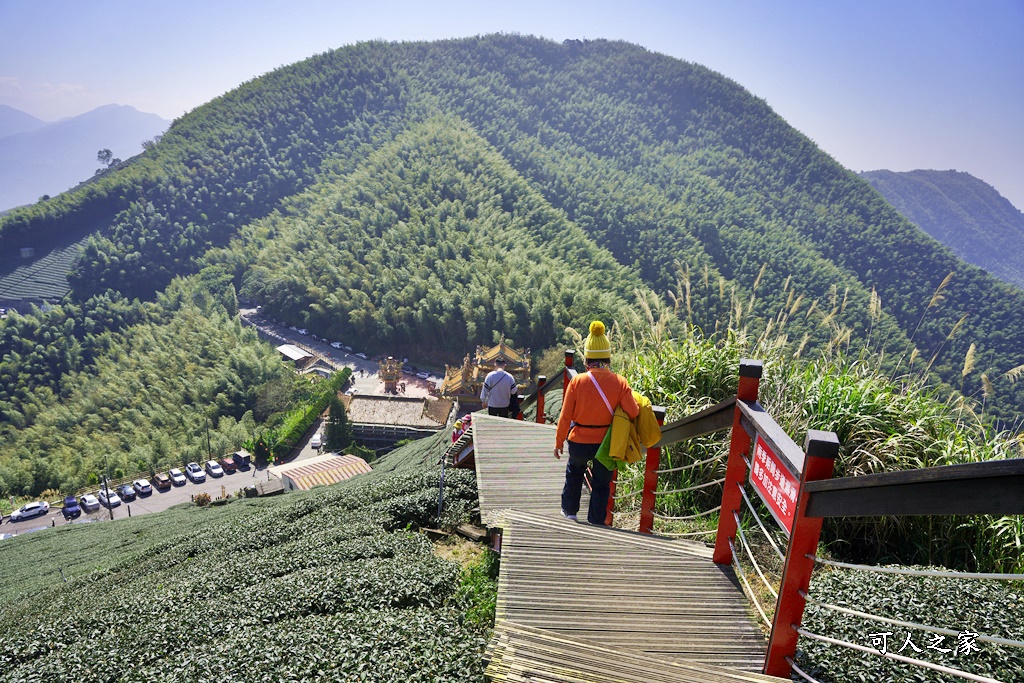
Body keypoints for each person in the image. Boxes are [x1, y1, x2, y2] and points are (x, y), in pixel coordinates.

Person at [554, 321, 639, 525]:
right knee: (601, 483)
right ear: (608, 358)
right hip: (607, 443)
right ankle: (596, 522)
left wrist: (558, 442)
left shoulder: (577, 381)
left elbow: (565, 416)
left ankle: (570, 512)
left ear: (587, 358)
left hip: (579, 440)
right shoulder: (620, 382)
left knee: (574, 471)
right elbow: (633, 411)